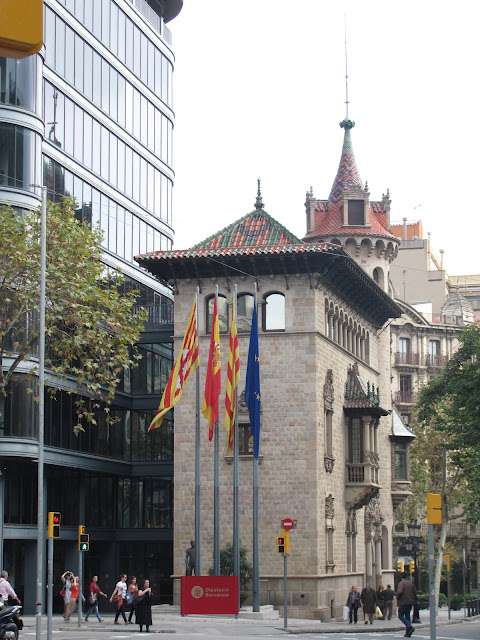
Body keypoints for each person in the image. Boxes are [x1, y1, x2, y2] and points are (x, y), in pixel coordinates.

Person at [397, 572, 417, 637]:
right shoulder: (411, 583)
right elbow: (415, 592)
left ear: (401, 577)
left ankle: (409, 626)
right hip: (410, 602)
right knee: (407, 616)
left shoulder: (401, 583)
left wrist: (398, 597)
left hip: (403, 602)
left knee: (400, 615)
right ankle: (408, 632)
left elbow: (400, 592)